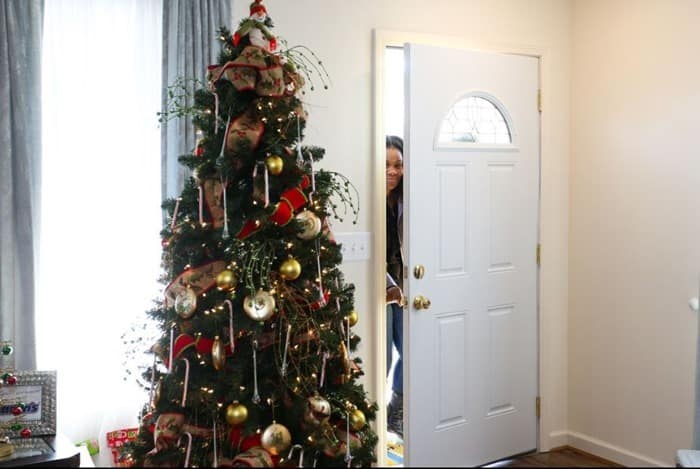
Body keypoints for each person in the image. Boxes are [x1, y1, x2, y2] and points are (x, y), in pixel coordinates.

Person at [385, 135, 404, 438]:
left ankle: (395, 410)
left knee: (414, 350)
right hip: (380, 287)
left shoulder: (405, 199)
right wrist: (389, 286)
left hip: (404, 283)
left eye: (398, 165)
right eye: (386, 164)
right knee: (384, 356)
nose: (392, 171)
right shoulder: (372, 196)